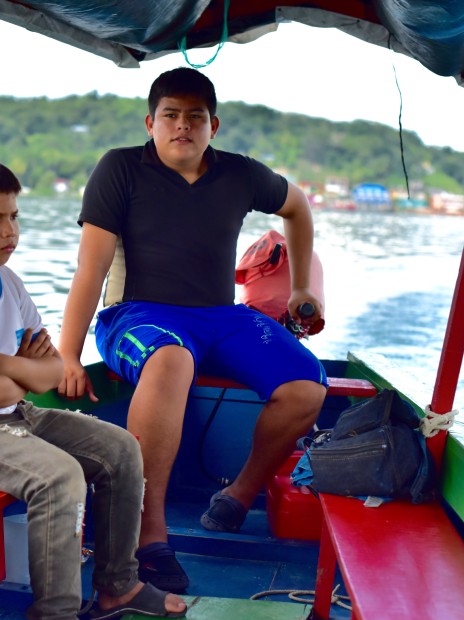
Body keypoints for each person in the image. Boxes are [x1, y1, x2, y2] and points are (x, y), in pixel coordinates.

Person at [57, 68, 329, 593]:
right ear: (151, 122)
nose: (183, 126)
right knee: (171, 359)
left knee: (306, 381)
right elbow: (89, 269)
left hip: (219, 316)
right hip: (136, 315)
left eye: (195, 117)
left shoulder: (240, 174)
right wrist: (69, 354)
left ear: (213, 125)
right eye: (171, 115)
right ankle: (149, 531)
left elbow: (298, 208)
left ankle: (239, 495)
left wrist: (298, 288)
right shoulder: (120, 169)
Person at [0, 154, 186, 620]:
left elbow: (52, 370)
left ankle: (117, 586)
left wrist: (5, 363)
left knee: (121, 450)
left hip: (10, 415)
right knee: (59, 476)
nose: (9, 231)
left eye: (14, 217)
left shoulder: (7, 281)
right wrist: (22, 374)